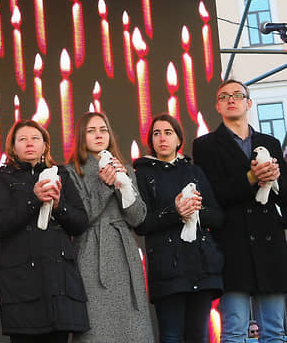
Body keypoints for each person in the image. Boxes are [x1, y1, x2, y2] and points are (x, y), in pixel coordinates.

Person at [193, 79, 287, 343]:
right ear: (218, 106)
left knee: (275, 331)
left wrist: (276, 180)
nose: (231, 99)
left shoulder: (270, 142)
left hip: (270, 245)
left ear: (249, 103)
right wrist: (251, 178)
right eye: (224, 96)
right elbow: (214, 195)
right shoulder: (205, 146)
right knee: (234, 331)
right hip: (233, 246)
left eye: (237, 95)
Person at [0, 119, 90, 343]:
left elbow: (80, 222)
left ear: (45, 145)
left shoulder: (60, 173)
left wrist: (58, 206)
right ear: (13, 148)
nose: (29, 143)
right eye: (22, 139)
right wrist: (33, 198)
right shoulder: (2, 177)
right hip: (21, 285)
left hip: (59, 283)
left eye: (35, 138)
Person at [134, 114, 224, 343]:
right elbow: (142, 223)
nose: (162, 138)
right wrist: (175, 211)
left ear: (178, 139)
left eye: (168, 132)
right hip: (167, 269)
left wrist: (195, 211)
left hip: (201, 266)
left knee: (198, 336)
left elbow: (217, 216)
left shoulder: (194, 172)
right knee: (171, 335)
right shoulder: (142, 174)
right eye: (156, 133)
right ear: (151, 141)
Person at [67, 112, 153, 342]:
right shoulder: (71, 171)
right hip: (91, 255)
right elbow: (80, 218)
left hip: (124, 255)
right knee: (97, 329)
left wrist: (123, 186)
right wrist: (105, 185)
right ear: (81, 136)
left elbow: (138, 218)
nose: (98, 135)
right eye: (91, 130)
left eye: (103, 130)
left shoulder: (123, 166)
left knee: (132, 329)